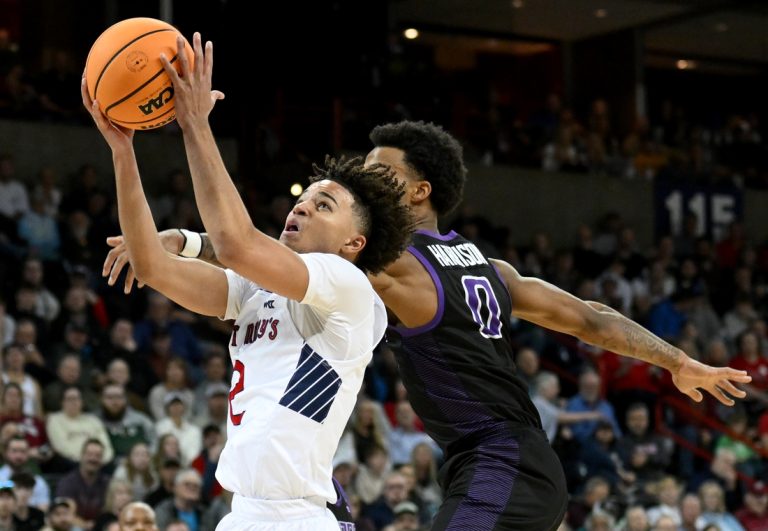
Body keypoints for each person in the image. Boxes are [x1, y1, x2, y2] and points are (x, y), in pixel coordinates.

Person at [103, 60, 752, 531]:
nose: (361, 178)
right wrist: (677, 361)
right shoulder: (486, 265)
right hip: (504, 461)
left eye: (378, 171)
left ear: (418, 191)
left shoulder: (393, 267)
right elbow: (588, 316)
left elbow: (258, 249)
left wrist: (187, 233)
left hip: (499, 460)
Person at [82, 30, 412, 531]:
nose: (301, 206)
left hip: (298, 518)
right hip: (242, 514)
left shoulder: (349, 290)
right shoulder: (256, 291)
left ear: (353, 244)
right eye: (303, 199)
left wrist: (194, 123)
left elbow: (237, 244)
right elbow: (151, 266)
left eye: (324, 206)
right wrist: (123, 151)